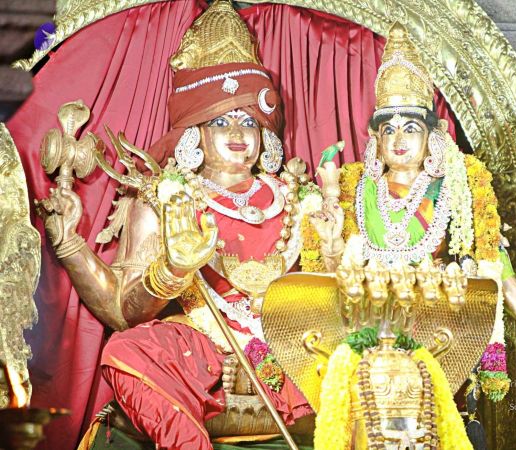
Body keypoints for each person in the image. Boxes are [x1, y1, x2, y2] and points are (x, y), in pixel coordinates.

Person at [36, 2, 311, 448]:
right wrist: (169, 268)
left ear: (265, 134)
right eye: (220, 120)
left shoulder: (296, 196)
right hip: (202, 348)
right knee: (128, 351)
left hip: (287, 342)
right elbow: (123, 312)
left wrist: (332, 247)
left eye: (248, 121)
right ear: (194, 133)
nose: (236, 133)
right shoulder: (165, 198)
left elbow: (325, 291)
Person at [305, 22, 516, 405]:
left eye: (411, 128)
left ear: (433, 136)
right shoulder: (352, 188)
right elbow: (335, 281)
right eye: (389, 130)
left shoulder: (459, 188)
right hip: (369, 346)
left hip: (440, 341)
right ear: (375, 138)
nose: (399, 140)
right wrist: (331, 244)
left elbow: (498, 272)